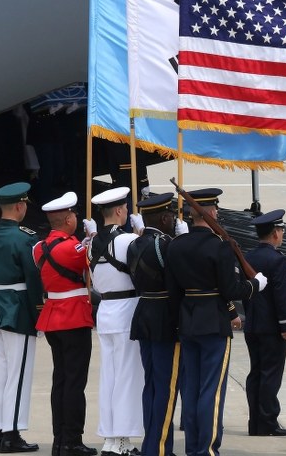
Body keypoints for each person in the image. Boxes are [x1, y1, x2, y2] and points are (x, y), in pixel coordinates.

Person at [164, 188, 268, 456]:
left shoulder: (176, 245)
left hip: (187, 323)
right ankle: (206, 449)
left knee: (192, 388)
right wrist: (255, 285)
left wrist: (179, 323)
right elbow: (231, 289)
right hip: (213, 324)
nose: (218, 214)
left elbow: (174, 293)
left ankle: (192, 447)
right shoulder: (219, 247)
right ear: (210, 213)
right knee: (211, 390)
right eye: (216, 210)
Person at [33, 191, 96, 456]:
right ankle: (72, 440)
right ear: (68, 219)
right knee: (74, 383)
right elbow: (93, 261)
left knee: (60, 379)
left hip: (52, 316)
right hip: (73, 317)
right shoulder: (75, 248)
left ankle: (60, 439)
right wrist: (92, 238)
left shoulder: (37, 248)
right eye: (75, 215)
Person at [125, 192, 188, 456]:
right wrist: (183, 240)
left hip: (144, 313)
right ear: (164, 217)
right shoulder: (167, 245)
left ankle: (153, 443)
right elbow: (180, 281)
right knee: (166, 386)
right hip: (165, 318)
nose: (174, 219)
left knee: (151, 384)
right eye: (172, 215)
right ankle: (159, 448)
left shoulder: (134, 244)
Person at [0, 182, 43, 453]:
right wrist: (38, 312)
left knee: (3, 374)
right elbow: (33, 279)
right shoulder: (25, 238)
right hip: (18, 309)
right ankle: (11, 435)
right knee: (18, 376)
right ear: (19, 206)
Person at [88, 187, 143, 456]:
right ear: (120, 211)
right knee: (126, 377)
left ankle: (111, 438)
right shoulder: (128, 240)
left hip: (106, 310)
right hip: (126, 309)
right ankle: (122, 441)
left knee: (109, 377)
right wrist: (142, 235)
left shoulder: (91, 243)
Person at [243, 210, 286, 437]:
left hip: (252, 324)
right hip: (272, 327)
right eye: (281, 231)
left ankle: (256, 421)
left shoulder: (249, 256)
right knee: (271, 375)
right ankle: (267, 421)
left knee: (256, 373)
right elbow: (281, 296)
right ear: (275, 233)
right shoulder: (278, 259)